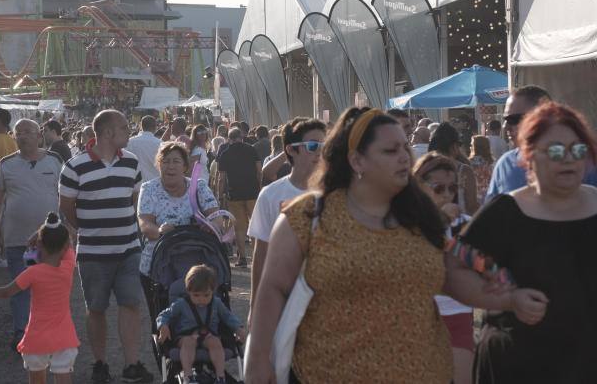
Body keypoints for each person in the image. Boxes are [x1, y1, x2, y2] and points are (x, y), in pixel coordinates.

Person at [245, 107, 535, 384]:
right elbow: (273, 288)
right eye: (390, 151)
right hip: (327, 373)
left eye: (404, 148)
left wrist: (509, 299)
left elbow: (450, 277)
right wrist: (257, 356)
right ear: (356, 161)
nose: (404, 158)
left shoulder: (421, 216)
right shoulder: (308, 216)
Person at [458, 101, 597, 383]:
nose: (569, 158)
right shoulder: (506, 212)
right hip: (517, 365)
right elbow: (456, 267)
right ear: (529, 157)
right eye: (556, 151)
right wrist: (508, 298)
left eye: (578, 150)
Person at [59, 110, 154, 384]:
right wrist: (89, 227)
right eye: (124, 128)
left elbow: (134, 200)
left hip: (128, 247)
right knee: (96, 308)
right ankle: (100, 362)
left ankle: (132, 364)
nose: (129, 131)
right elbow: (67, 208)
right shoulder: (75, 166)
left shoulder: (132, 162)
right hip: (93, 252)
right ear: (108, 133)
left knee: (131, 304)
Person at [0, 119, 64, 351]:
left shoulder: (55, 161)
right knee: (21, 285)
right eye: (18, 133)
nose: (22, 136)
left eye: (28, 132)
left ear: (38, 135)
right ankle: (22, 332)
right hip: (18, 240)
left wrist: (70, 228)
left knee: (49, 287)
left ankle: (49, 330)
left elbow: (66, 196)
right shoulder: (6, 164)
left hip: (50, 241)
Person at [0, 212, 79, 384]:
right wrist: (45, 233)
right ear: (64, 248)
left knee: (36, 376)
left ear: (39, 244)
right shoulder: (68, 266)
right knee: (63, 375)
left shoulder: (32, 273)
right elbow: (68, 242)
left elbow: (6, 292)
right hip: (64, 335)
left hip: (37, 336)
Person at [247, 118, 326, 314]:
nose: (320, 153)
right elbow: (261, 253)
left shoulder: (338, 194)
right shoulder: (270, 195)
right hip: (284, 299)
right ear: (291, 150)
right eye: (313, 146)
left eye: (325, 146)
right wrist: (255, 304)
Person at [414, 154, 474, 384]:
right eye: (438, 188)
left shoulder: (465, 224)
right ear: (419, 187)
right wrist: (439, 222)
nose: (447, 194)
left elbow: (483, 266)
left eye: (452, 188)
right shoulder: (407, 225)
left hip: (458, 313)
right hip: (421, 317)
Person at [137, 143, 219, 304]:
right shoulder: (148, 189)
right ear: (159, 165)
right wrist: (160, 232)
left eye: (176, 161)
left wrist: (210, 225)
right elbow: (145, 225)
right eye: (165, 161)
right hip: (157, 265)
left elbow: (217, 217)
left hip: (197, 263)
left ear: (185, 166)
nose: (170, 166)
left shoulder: (198, 186)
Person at [156, 265, 245, 384]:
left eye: (206, 295)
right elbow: (164, 315)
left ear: (213, 291)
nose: (201, 299)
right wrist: (163, 326)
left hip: (209, 336)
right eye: (196, 295)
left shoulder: (216, 303)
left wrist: (238, 328)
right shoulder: (181, 304)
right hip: (185, 336)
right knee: (188, 342)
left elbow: (228, 316)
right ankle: (188, 377)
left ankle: (220, 377)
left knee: (215, 342)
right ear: (188, 291)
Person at [216, 127, 262, 268]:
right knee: (255, 225)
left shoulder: (225, 154)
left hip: (234, 194)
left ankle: (242, 258)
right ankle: (256, 257)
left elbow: (221, 178)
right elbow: (259, 170)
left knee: (239, 228)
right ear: (241, 137)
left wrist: (219, 194)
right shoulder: (251, 149)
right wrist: (259, 186)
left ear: (229, 139)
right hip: (252, 192)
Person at [429, 122, 479, 215]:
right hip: (459, 224)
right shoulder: (464, 170)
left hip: (434, 222)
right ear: (454, 146)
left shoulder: (427, 167)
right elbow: (472, 205)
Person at [126, 115, 163, 183]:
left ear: (141, 126)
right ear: (155, 127)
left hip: (135, 184)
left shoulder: (130, 142)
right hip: (155, 183)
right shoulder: (160, 143)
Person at [469, 135, 494, 207]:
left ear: (475, 147)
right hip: (489, 197)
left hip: (475, 197)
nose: (470, 147)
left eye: (471, 145)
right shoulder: (491, 163)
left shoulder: (469, 163)